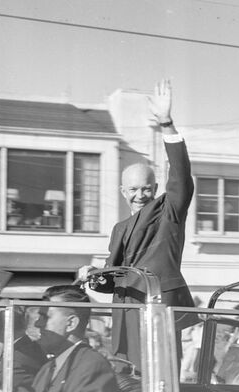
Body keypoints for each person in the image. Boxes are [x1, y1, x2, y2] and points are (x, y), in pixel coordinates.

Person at [78, 79, 194, 367]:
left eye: (146, 189)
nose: (140, 196)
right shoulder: (119, 229)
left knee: (159, 383)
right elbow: (110, 280)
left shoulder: (168, 212)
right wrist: (92, 274)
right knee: (127, 385)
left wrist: (167, 124)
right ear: (123, 192)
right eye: (133, 190)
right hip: (125, 319)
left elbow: (180, 176)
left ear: (154, 189)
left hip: (156, 312)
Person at [23, 285, 121, 392]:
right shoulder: (48, 368)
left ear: (71, 324)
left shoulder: (92, 366)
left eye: (45, 317)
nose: (38, 324)